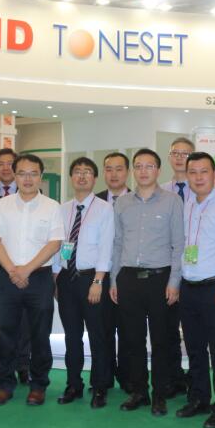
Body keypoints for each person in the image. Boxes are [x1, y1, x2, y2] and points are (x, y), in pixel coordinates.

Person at [0, 153, 63, 406]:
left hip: (39, 278)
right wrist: (13, 270)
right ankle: (4, 384)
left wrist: (26, 270)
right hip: (7, 277)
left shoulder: (52, 206)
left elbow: (54, 243)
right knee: (4, 333)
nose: (27, 179)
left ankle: (38, 385)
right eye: (22, 173)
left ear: (41, 176)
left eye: (33, 174)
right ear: (14, 175)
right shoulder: (3, 205)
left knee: (40, 335)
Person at [111, 148, 184, 416]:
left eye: (149, 166)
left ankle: (160, 394)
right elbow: (117, 244)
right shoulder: (122, 203)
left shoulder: (172, 201)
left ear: (158, 170)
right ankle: (139, 391)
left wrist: (174, 281)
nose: (143, 171)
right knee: (133, 339)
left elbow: (179, 244)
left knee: (161, 340)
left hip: (160, 279)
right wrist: (113, 280)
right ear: (133, 171)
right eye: (138, 166)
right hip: (128, 278)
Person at [175, 152, 215, 428]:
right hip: (188, 286)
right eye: (193, 172)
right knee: (195, 348)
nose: (198, 177)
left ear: (214, 174)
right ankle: (199, 398)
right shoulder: (187, 204)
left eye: (204, 171)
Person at [54, 157, 115, 408]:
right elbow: (59, 245)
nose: (82, 176)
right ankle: (73, 385)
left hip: (93, 279)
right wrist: (56, 277)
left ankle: (99, 386)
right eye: (77, 172)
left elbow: (106, 247)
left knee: (98, 335)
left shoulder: (104, 208)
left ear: (95, 178)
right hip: (66, 279)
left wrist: (98, 280)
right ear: (71, 177)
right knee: (72, 336)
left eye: (87, 172)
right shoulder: (62, 209)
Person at [0, 147, 31, 384]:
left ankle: (23, 364)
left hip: (23, 268)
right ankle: (1, 366)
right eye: (0, 163)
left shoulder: (33, 194)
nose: (5, 168)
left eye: (9, 163)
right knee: (0, 320)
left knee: (23, 320)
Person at [161, 136, 197, 397]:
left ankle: (196, 380)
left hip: (197, 269)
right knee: (168, 328)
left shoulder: (201, 190)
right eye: (175, 153)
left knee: (195, 330)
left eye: (185, 153)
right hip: (168, 268)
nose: (180, 158)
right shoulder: (161, 191)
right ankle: (173, 377)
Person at [96, 152, 130, 392]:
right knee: (103, 329)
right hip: (101, 275)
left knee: (128, 330)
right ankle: (104, 378)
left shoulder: (138, 199)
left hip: (127, 275)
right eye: (109, 169)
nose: (114, 174)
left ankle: (127, 378)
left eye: (119, 169)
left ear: (127, 172)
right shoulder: (95, 201)